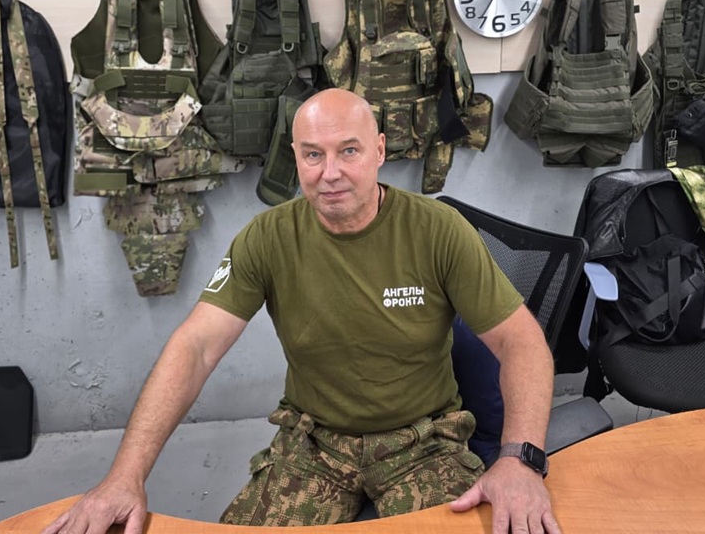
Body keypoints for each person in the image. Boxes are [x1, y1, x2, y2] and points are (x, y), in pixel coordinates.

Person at [42, 88, 561, 534]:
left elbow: (521, 342)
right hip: (315, 442)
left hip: (422, 440)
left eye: (349, 151)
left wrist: (520, 460)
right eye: (313, 155)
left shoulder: (438, 231)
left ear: (380, 150)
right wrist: (124, 476)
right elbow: (195, 347)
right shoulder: (268, 237)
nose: (330, 174)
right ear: (295, 157)